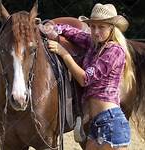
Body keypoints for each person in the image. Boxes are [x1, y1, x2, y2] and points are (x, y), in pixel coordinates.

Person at [40, 3, 135, 150]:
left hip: (111, 122)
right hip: (95, 122)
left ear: (111, 28)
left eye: (101, 27)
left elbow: (85, 79)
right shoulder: (93, 43)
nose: (96, 32)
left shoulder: (115, 50)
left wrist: (64, 53)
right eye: (93, 26)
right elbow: (71, 31)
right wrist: (52, 29)